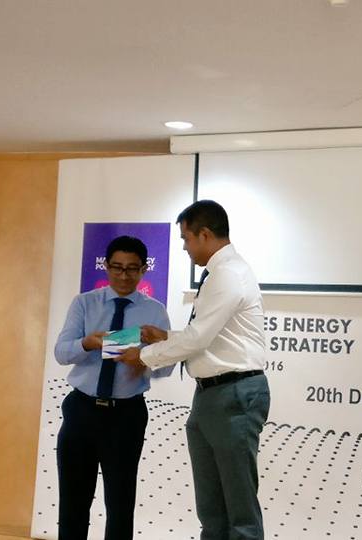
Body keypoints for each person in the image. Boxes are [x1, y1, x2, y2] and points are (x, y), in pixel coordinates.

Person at [118, 200, 270, 540]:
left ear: (204, 234)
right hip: (212, 395)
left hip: (232, 394)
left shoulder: (228, 274)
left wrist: (144, 356)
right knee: (212, 508)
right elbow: (209, 337)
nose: (185, 247)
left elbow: (199, 338)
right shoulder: (220, 273)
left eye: (186, 238)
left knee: (239, 511)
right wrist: (166, 337)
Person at [54, 235, 174, 540]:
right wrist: (88, 343)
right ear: (106, 266)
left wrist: (145, 359)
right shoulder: (84, 303)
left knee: (120, 506)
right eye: (117, 267)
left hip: (126, 415)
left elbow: (167, 367)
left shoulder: (155, 311)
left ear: (144, 269)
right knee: (73, 504)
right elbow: (61, 353)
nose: (123, 275)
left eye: (132, 268)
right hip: (81, 411)